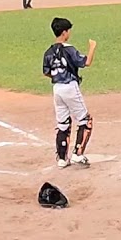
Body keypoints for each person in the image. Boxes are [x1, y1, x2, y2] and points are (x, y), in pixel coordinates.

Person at [43, 17, 96, 168]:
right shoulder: (69, 49)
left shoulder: (49, 52)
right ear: (64, 32)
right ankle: (78, 154)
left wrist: (57, 76)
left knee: (63, 123)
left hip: (57, 89)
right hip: (70, 87)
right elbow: (86, 62)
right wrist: (92, 47)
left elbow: (46, 72)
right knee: (85, 120)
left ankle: (62, 158)